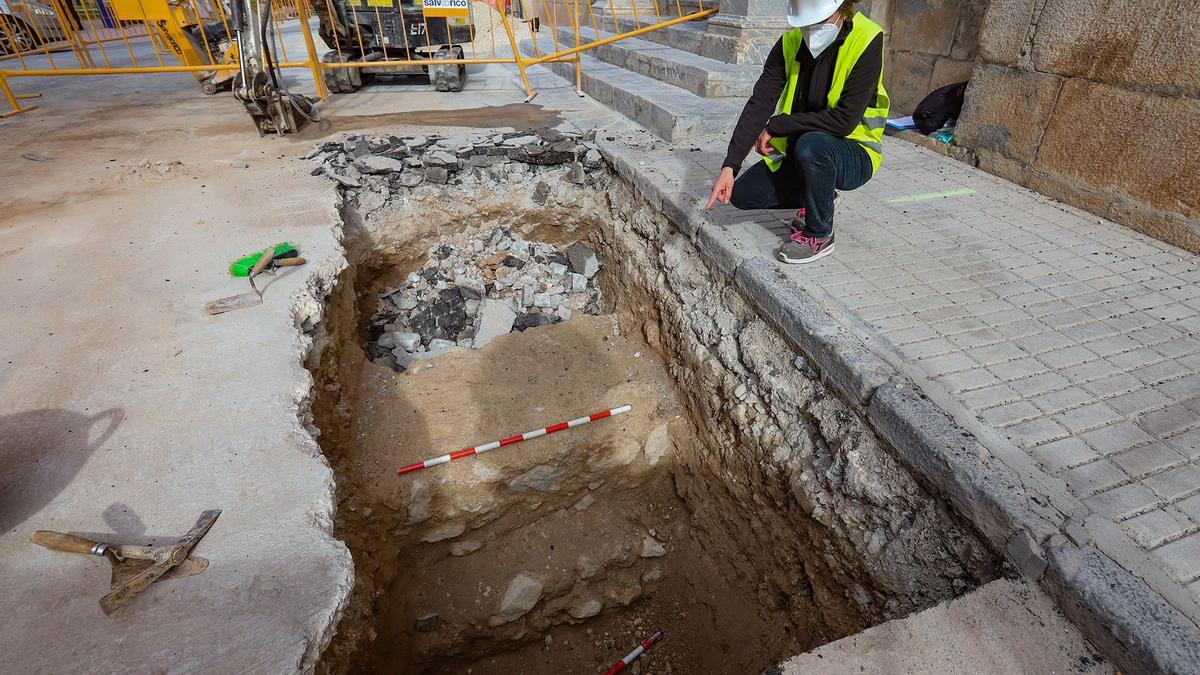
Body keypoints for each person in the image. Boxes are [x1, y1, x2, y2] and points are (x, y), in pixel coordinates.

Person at [705, 0, 889, 264]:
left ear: (841, 8)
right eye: (807, 23)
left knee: (812, 145)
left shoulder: (867, 38)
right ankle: (823, 196)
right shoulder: (789, 43)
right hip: (805, 153)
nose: (812, 29)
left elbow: (843, 121)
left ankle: (819, 234)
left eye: (819, 21)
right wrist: (730, 166)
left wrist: (778, 125)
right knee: (744, 194)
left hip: (855, 152)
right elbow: (759, 103)